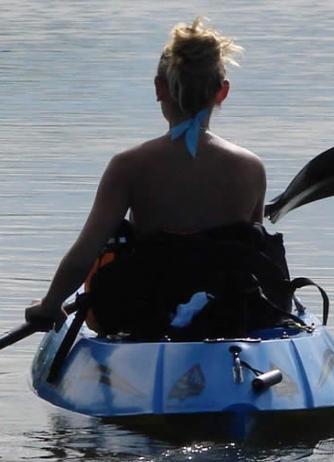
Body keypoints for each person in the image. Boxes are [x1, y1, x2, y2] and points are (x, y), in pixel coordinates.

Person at [25, 17, 268, 336]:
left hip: (146, 313)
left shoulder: (129, 165)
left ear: (158, 88)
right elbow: (255, 254)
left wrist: (51, 303)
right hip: (226, 313)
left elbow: (86, 251)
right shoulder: (251, 167)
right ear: (222, 92)